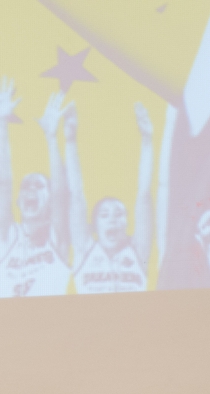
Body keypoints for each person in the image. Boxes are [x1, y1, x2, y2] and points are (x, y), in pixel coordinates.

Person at [0, 83, 73, 298]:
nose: (31, 190)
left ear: (50, 199)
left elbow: (61, 193)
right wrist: (1, 122)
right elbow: (4, 183)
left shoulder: (57, 236)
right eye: (26, 186)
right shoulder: (7, 236)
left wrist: (52, 137)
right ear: (18, 201)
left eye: (39, 186)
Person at [65, 102, 154, 294]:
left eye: (119, 214)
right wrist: (70, 141)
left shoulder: (138, 251)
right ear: (94, 225)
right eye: (104, 215)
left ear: (128, 223)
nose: (112, 219)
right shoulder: (84, 250)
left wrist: (147, 140)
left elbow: (144, 195)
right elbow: (76, 195)